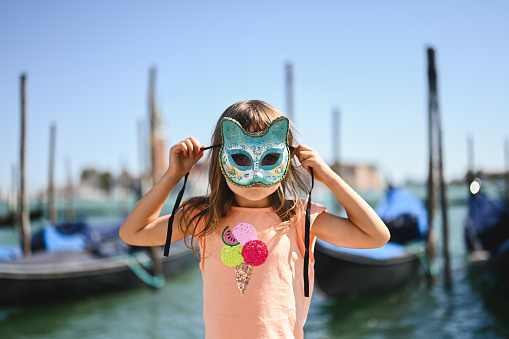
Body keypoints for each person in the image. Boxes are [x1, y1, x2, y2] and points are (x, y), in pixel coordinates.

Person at [119, 100, 390, 338]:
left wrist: (328, 176)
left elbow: (376, 236)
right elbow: (134, 233)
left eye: (271, 157)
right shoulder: (203, 216)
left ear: (286, 156)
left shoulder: (299, 217)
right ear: (221, 158)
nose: (256, 172)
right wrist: (173, 175)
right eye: (241, 158)